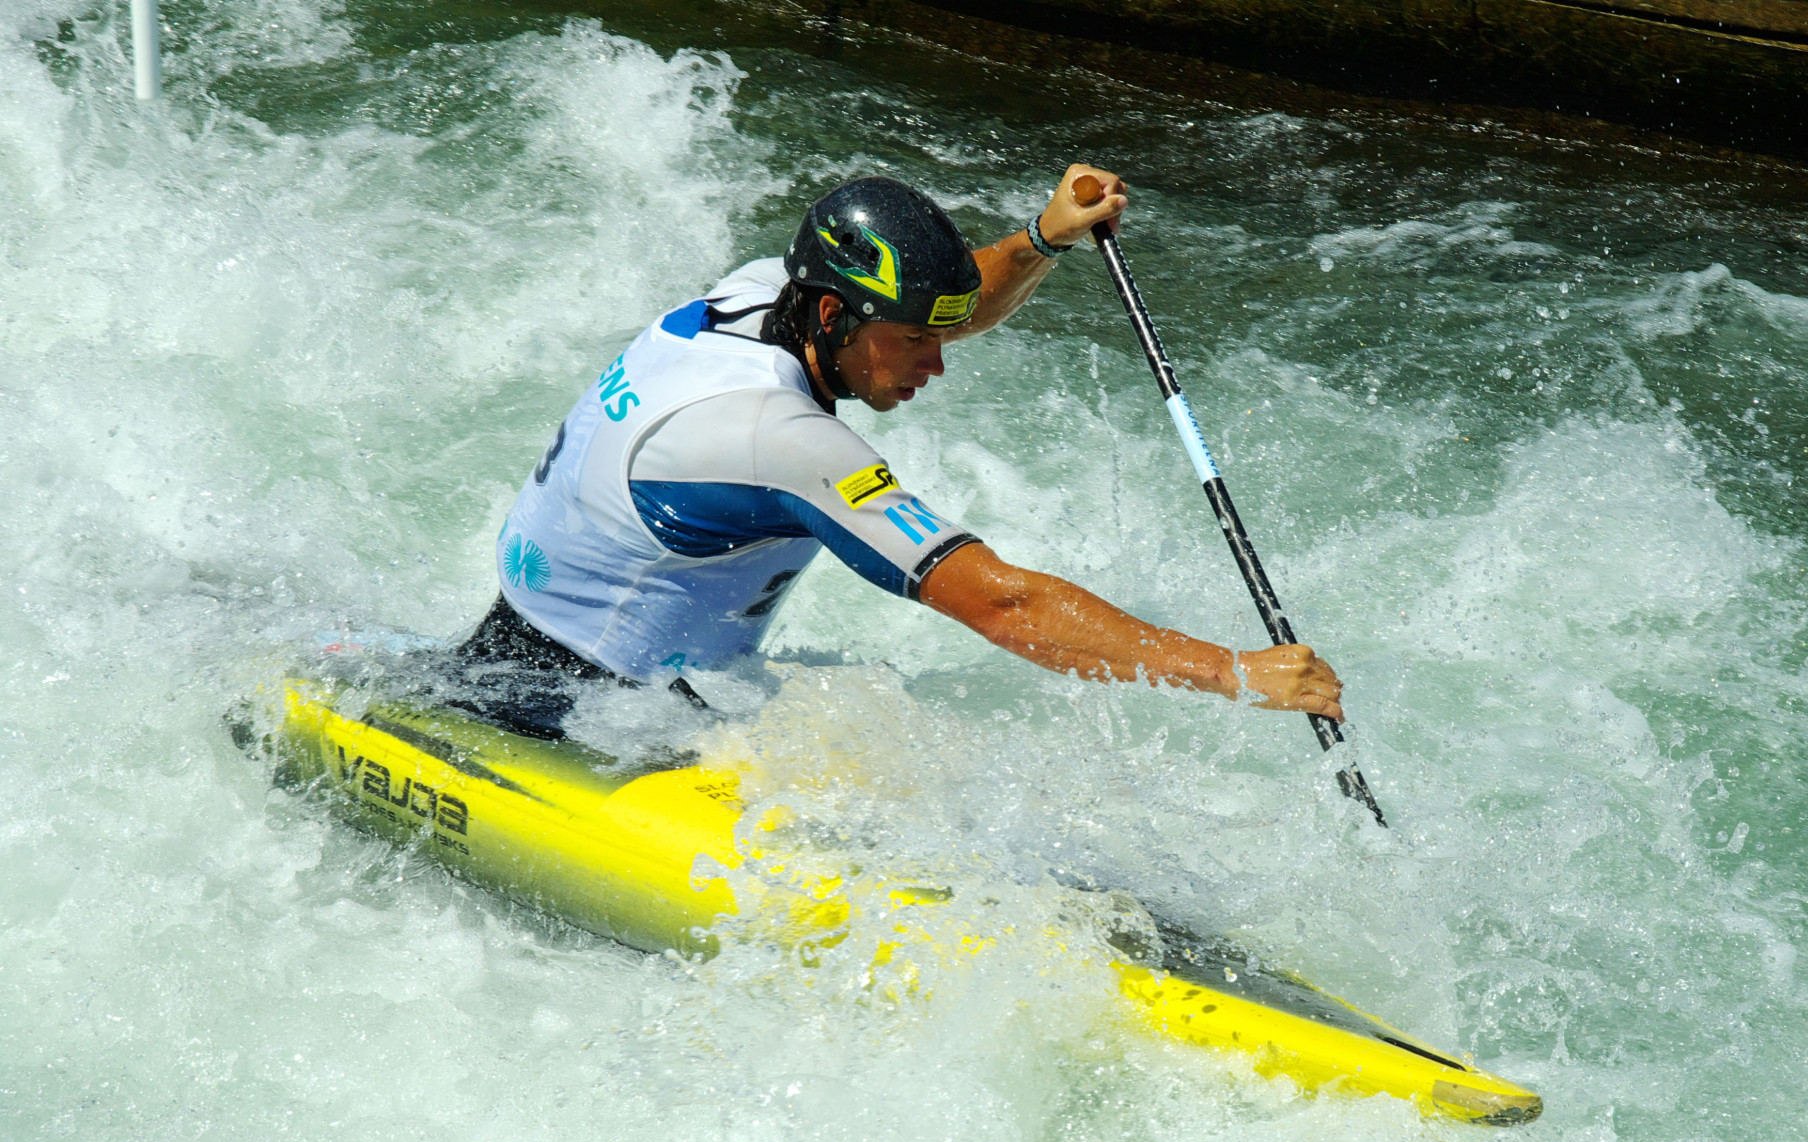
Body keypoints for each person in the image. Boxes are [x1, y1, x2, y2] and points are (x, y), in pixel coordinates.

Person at [455, 165, 1343, 738]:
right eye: (916, 341)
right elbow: (1004, 604)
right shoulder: (781, 439)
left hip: (525, 643)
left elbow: (945, 302)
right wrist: (1233, 672)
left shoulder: (763, 290)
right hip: (583, 718)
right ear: (833, 316)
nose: (938, 362)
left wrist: (1042, 238)